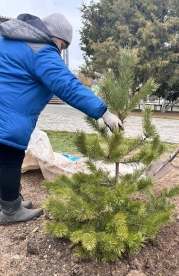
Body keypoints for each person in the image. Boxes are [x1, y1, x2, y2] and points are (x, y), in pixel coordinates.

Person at [0, 13, 123, 223]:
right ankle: (10, 209)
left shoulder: (13, 40)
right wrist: (104, 112)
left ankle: (9, 202)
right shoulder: (40, 48)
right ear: (54, 37)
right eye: (62, 45)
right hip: (8, 115)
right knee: (10, 157)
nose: (60, 51)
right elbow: (68, 85)